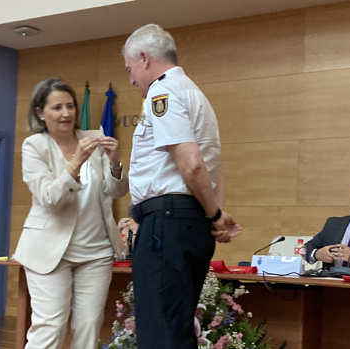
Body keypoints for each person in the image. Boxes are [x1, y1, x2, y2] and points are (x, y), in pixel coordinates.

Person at [122, 24, 240, 349]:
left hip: (166, 225)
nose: (131, 78)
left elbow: (193, 164)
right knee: (175, 331)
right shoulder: (195, 94)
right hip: (186, 222)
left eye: (130, 68)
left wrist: (215, 214)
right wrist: (213, 214)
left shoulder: (164, 92)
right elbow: (216, 167)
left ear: (144, 58)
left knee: (160, 334)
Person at [12, 78, 128, 349]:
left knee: (89, 328)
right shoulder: (34, 146)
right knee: (50, 327)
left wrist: (114, 161)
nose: (66, 113)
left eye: (70, 106)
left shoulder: (92, 138)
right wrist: (76, 162)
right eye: (57, 107)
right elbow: (50, 199)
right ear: (40, 113)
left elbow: (117, 191)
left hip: (96, 252)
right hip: (49, 252)